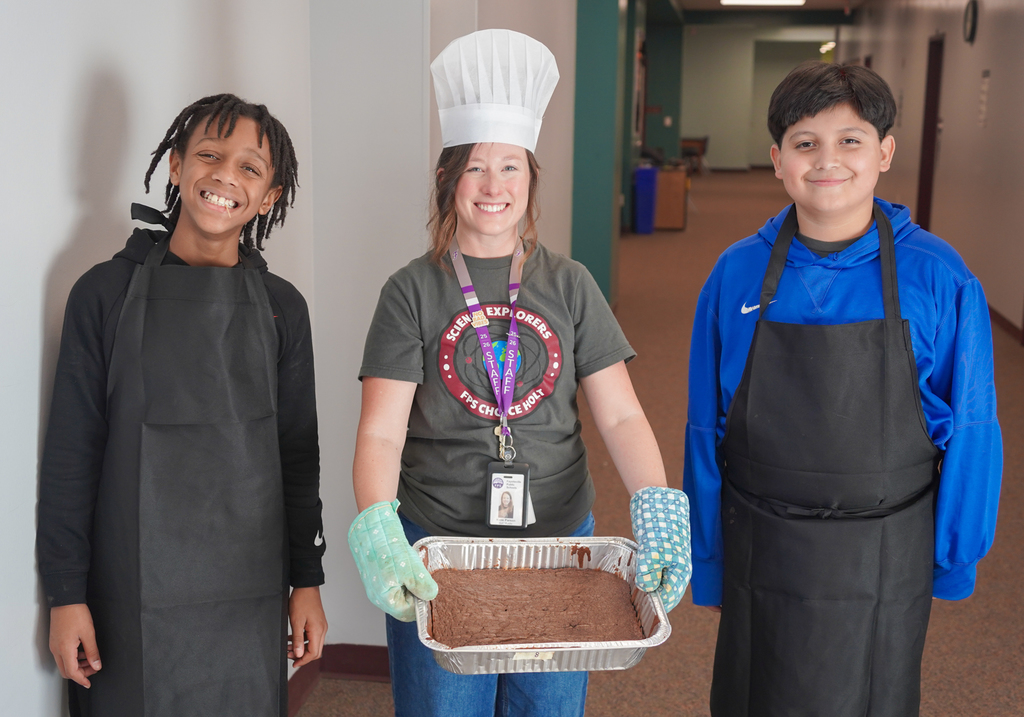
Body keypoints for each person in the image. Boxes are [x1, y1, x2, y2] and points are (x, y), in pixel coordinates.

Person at [347, 29, 691, 717]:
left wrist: (657, 500)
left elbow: (619, 413)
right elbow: (382, 432)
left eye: (511, 167)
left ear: (532, 180)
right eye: (476, 167)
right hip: (441, 548)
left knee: (548, 707)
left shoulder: (570, 285)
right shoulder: (410, 292)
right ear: (447, 179)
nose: (493, 185)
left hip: (559, 545)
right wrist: (378, 525)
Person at [683, 61, 1002, 716]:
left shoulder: (940, 277)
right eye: (805, 143)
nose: (827, 160)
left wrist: (953, 557)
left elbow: (972, 427)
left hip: (884, 555)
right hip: (759, 548)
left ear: (884, 151)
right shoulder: (734, 273)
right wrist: (706, 558)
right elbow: (703, 426)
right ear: (777, 159)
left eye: (850, 140)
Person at [37, 94, 328, 717]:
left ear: (271, 195)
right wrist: (65, 595)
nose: (226, 175)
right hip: (125, 592)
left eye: (250, 168)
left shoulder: (283, 309)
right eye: (209, 155)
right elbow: (70, 456)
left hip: (247, 592)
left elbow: (298, 454)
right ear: (175, 166)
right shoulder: (103, 294)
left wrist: (308, 580)